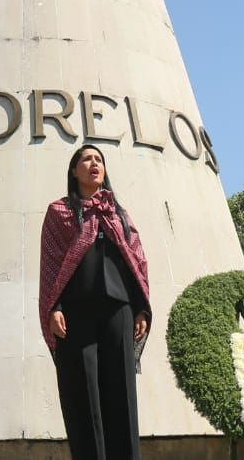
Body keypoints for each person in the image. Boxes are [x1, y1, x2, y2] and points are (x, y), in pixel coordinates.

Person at [39, 144, 150, 460]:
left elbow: (137, 260)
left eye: (98, 159)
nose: (93, 164)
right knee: (82, 397)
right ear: (74, 170)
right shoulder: (60, 212)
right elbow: (51, 262)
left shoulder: (119, 213)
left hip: (120, 309)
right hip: (75, 314)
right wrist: (54, 308)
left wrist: (141, 307)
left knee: (122, 395)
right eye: (86, 159)